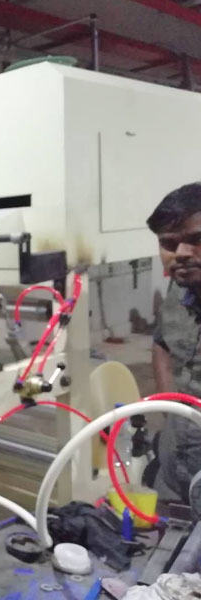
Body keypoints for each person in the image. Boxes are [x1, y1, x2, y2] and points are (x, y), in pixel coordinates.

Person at [148, 182, 201, 503]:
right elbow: (162, 344)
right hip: (174, 459)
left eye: (197, 240)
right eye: (168, 243)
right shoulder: (180, 288)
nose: (180, 253)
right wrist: (170, 411)